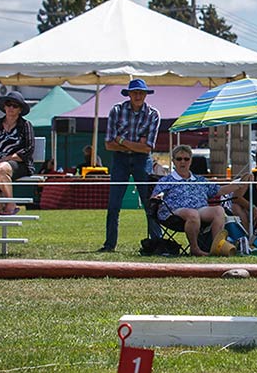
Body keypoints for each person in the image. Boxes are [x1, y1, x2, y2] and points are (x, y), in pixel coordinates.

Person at [99, 78, 163, 253]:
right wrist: (136, 144)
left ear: (145, 95)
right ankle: (109, 244)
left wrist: (121, 140)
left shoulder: (153, 114)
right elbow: (108, 145)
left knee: (150, 203)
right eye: (134, 92)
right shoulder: (116, 110)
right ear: (128, 94)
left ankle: (157, 242)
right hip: (120, 159)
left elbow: (147, 148)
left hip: (142, 160)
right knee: (114, 204)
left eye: (141, 93)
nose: (138, 96)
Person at [149, 145, 244, 256]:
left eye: (186, 159)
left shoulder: (200, 179)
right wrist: (157, 197)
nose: (182, 162)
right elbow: (154, 196)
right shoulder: (166, 180)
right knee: (192, 213)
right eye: (179, 159)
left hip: (200, 209)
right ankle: (195, 249)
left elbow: (219, 190)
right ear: (173, 161)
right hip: (173, 211)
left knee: (218, 210)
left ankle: (216, 247)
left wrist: (240, 183)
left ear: (191, 161)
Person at [0, 91, 35, 215]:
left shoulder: (25, 125)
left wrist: (8, 158)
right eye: (8, 104)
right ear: (4, 107)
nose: (11, 108)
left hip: (19, 162)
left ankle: (10, 204)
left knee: (0, 170)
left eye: (15, 106)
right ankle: (0, 200)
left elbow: (28, 149)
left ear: (20, 110)